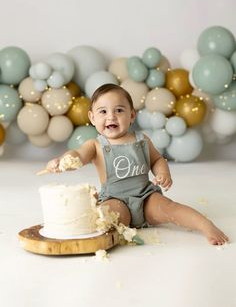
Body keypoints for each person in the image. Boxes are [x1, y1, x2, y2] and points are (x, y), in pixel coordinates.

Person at [46, 84, 229, 245]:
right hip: (115, 199)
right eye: (103, 111)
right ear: (92, 118)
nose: (111, 117)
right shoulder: (95, 145)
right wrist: (63, 161)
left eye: (119, 110)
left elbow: (157, 159)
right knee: (109, 218)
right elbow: (77, 155)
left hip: (146, 197)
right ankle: (95, 234)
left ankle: (205, 225)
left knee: (170, 208)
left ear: (131, 115)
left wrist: (163, 174)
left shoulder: (141, 140)